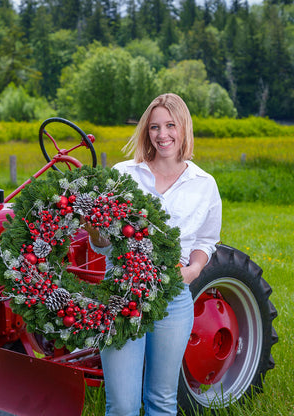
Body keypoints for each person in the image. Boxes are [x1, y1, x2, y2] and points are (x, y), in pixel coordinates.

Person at [85, 93, 222, 415]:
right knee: (122, 405)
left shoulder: (204, 183)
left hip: (172, 299)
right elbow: (103, 243)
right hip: (120, 295)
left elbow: (206, 240)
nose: (163, 135)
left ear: (184, 128)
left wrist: (192, 271)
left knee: (161, 401)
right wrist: (93, 228)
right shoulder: (123, 175)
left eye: (171, 125)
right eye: (155, 127)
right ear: (146, 132)